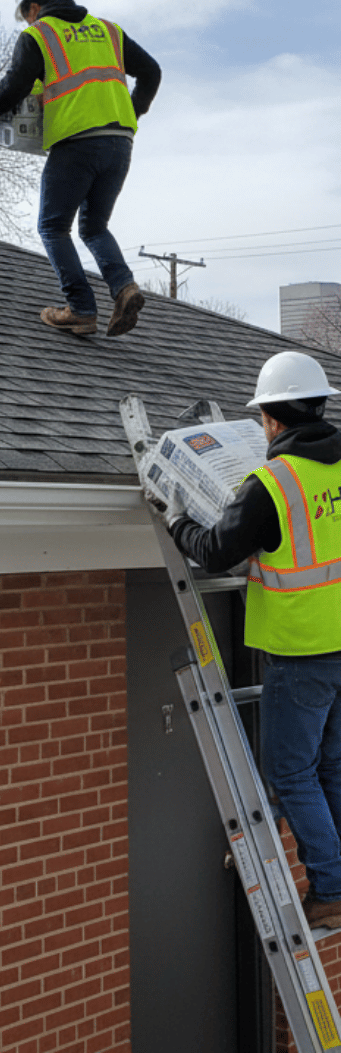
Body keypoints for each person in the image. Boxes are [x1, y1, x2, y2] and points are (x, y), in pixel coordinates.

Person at [157, 351, 341, 928]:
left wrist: (174, 520)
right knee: (331, 768)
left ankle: (332, 889)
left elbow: (214, 551)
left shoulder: (272, 483)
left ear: (271, 420)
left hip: (300, 651)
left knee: (291, 774)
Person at [0, 0, 161, 337]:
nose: (29, 22)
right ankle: (124, 289)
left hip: (76, 144)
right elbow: (152, 71)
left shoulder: (38, 35)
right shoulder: (107, 30)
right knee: (94, 227)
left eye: (27, 16)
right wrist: (132, 112)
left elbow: (15, 85)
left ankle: (80, 309)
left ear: (33, 7)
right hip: (120, 143)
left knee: (53, 226)